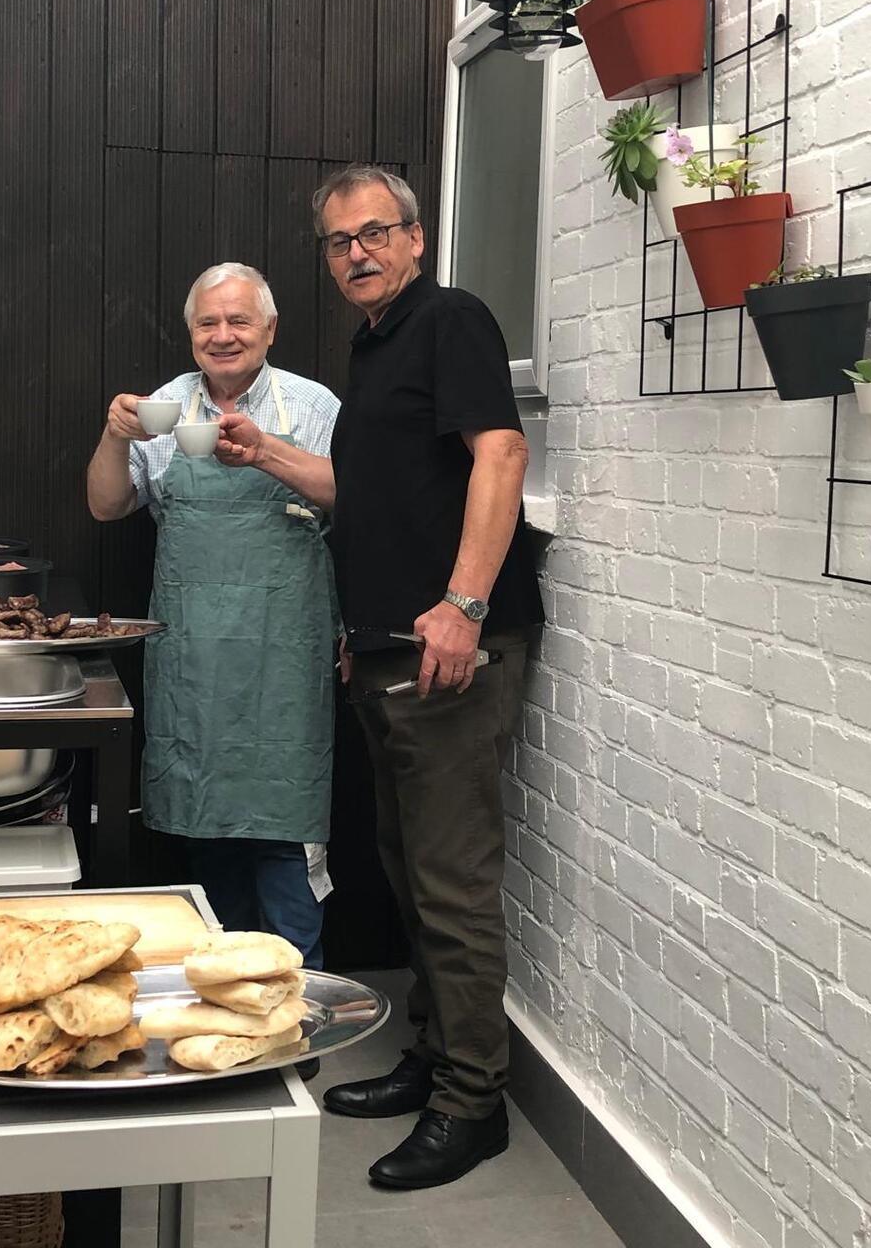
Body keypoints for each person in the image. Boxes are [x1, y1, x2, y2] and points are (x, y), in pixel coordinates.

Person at [215, 166, 544, 1190]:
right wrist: (266, 452)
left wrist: (465, 604)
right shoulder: (377, 347)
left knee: (452, 884)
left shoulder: (450, 319)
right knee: (407, 871)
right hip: (393, 650)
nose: (357, 252)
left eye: (374, 232)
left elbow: (501, 453)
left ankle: (474, 1102)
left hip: (453, 647)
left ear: (414, 237)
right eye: (338, 241)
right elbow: (359, 493)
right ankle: (436, 1057)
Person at [86, 262, 341, 971]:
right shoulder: (166, 405)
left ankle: (299, 1003)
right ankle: (218, 991)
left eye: (239, 320)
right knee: (206, 834)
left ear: (270, 330)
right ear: (191, 332)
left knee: (286, 837)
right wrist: (114, 435)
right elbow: (106, 505)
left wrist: (266, 453)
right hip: (193, 660)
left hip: (284, 660)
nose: (223, 335)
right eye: (208, 322)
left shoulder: (312, 405)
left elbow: (350, 495)